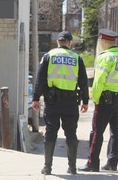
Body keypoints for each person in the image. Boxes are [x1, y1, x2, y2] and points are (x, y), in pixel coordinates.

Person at [32, 31, 89, 175]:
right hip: (70, 102)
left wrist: (36, 98)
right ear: (69, 43)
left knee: (51, 133)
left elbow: (40, 79)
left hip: (52, 101)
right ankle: (72, 167)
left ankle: (47, 167)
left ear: (58, 42)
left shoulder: (48, 56)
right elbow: (83, 81)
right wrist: (85, 101)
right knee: (71, 133)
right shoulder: (77, 58)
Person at [79, 29, 118, 172]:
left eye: (101, 41)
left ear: (105, 42)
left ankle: (92, 163)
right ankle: (112, 163)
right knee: (115, 131)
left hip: (105, 99)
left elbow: (98, 81)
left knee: (97, 131)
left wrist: (95, 99)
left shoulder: (106, 57)